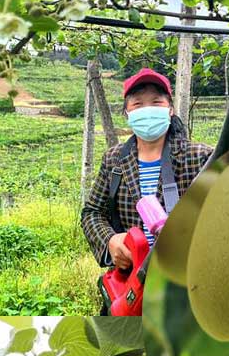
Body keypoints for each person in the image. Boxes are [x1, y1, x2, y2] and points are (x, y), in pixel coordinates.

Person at [81, 68, 212, 270]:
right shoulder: (114, 159)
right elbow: (92, 212)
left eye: (156, 102)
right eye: (138, 104)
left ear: (170, 109)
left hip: (186, 274)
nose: (148, 109)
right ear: (127, 113)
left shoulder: (199, 157)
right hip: (131, 277)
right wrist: (110, 240)